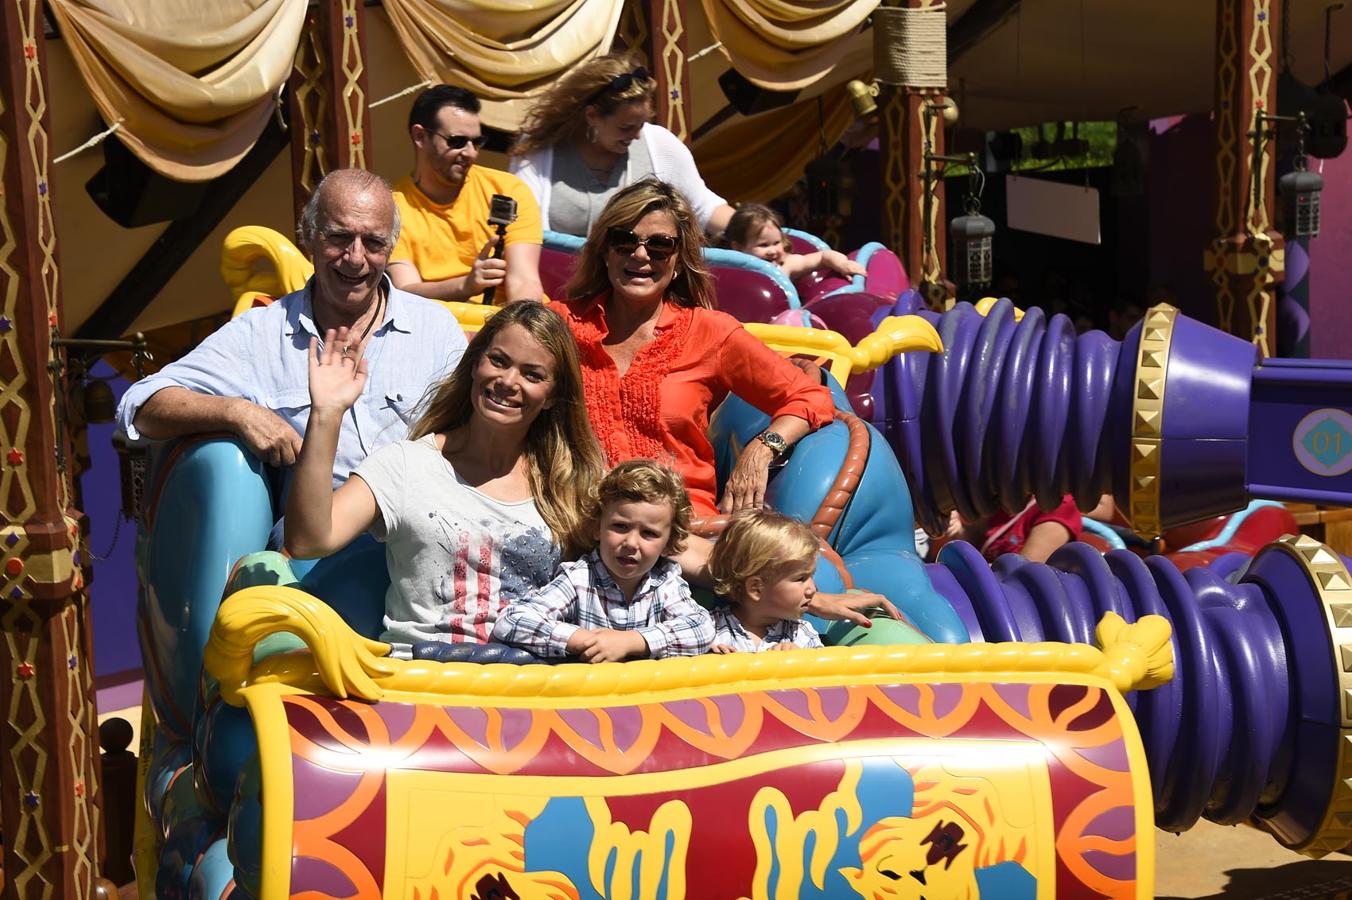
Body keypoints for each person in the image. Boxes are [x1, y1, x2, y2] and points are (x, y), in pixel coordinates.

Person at [555, 178, 897, 628]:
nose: (640, 255)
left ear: (679, 259)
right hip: (576, 520)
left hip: (683, 527)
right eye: (624, 240)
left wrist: (763, 448)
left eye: (659, 245)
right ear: (604, 249)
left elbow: (809, 394)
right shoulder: (559, 326)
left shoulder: (710, 332)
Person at [283, 301, 604, 658]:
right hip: (426, 676)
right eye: (498, 361)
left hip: (535, 681)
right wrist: (327, 414)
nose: (508, 381)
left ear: (552, 396)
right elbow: (308, 540)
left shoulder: (572, 483)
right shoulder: (406, 464)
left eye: (532, 375)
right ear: (475, 363)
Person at [116, 169, 466, 484]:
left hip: (424, 522)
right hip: (312, 532)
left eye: (373, 242)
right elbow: (140, 405)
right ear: (308, 236)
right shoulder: (260, 333)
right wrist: (238, 412)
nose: (356, 257)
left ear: (390, 248)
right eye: (339, 237)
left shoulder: (435, 329)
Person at [492, 459, 714, 662]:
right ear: (597, 527)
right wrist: (585, 640)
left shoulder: (665, 581)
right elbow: (512, 620)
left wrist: (631, 642)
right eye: (620, 526)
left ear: (668, 543)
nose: (631, 543)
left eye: (649, 533)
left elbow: (701, 627)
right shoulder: (580, 579)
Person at [510, 54, 735, 238]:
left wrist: (747, 227)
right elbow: (522, 231)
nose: (636, 136)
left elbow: (703, 207)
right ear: (592, 116)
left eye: (641, 124)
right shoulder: (538, 150)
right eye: (626, 127)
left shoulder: (660, 143)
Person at [388, 85, 544, 304]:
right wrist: (465, 286)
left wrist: (521, 323)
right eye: (457, 142)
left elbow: (524, 282)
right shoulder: (391, 208)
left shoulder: (508, 191)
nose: (470, 153)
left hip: (506, 318)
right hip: (433, 321)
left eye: (477, 142)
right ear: (420, 136)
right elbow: (404, 292)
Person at [707, 509, 824, 653]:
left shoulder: (801, 634)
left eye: (811, 576)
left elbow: (827, 667)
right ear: (756, 588)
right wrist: (710, 658)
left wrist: (802, 659)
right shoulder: (710, 630)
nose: (813, 589)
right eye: (801, 578)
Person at [726, 204, 865, 281]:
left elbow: (823, 257)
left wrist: (842, 264)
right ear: (738, 247)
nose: (773, 251)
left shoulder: (786, 265)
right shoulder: (731, 271)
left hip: (782, 322)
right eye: (763, 245)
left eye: (776, 243)